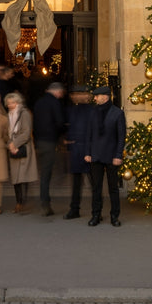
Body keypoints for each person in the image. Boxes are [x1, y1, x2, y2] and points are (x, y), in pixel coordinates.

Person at [84, 85, 126, 227]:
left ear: (105, 96)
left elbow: (121, 137)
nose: (94, 98)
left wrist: (118, 155)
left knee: (113, 188)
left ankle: (115, 216)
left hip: (112, 156)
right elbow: (88, 134)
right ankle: (96, 215)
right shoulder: (92, 112)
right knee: (96, 187)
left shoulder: (117, 113)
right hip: (95, 155)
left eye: (97, 96)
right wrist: (87, 153)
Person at [33, 81, 66, 215]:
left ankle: (45, 201)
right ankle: (45, 203)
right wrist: (61, 136)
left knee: (44, 173)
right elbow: (59, 122)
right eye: (61, 93)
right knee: (48, 172)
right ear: (57, 91)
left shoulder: (39, 103)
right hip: (50, 141)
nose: (61, 96)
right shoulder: (55, 103)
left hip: (40, 141)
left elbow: (34, 122)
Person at [63, 85, 93, 220]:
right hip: (76, 149)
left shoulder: (93, 110)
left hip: (89, 149)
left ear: (87, 96)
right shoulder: (71, 110)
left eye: (80, 93)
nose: (76, 96)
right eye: (75, 94)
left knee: (94, 182)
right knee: (76, 182)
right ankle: (74, 209)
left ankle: (96, 210)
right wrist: (68, 141)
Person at [5, 91, 38, 213]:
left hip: (23, 147)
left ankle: (22, 202)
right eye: (8, 103)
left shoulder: (24, 114)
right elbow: (7, 132)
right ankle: (19, 201)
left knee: (23, 176)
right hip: (13, 148)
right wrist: (10, 144)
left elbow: (26, 132)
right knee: (15, 178)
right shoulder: (9, 115)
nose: (9, 105)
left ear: (17, 102)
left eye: (12, 103)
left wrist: (15, 144)